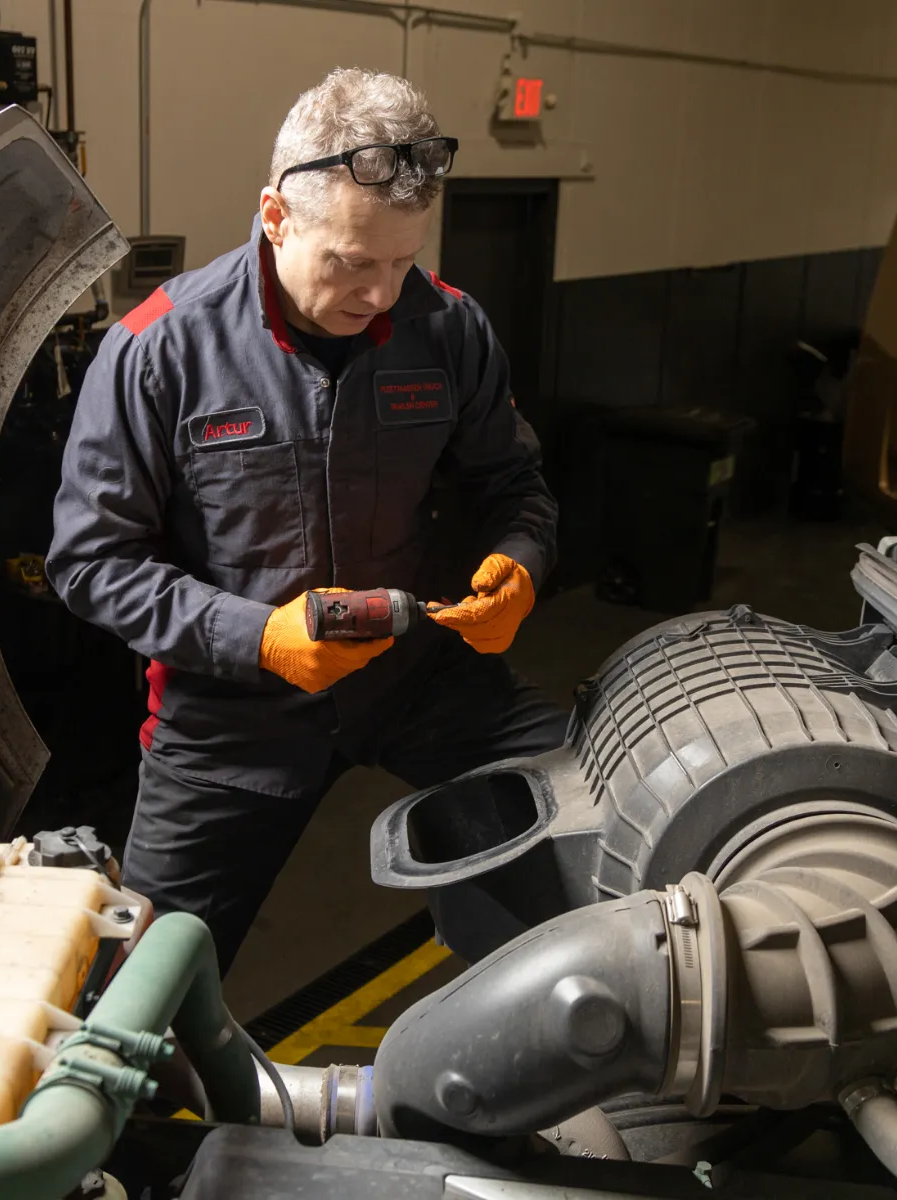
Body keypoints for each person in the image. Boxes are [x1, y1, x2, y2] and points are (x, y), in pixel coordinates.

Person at [48, 67, 566, 971]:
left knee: (596, 826)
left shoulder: (448, 328)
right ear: (277, 216)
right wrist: (258, 639)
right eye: (354, 264)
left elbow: (514, 485)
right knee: (138, 999)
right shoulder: (158, 348)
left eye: (403, 263)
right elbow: (91, 561)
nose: (380, 295)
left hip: (421, 681)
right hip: (233, 717)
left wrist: (520, 562)